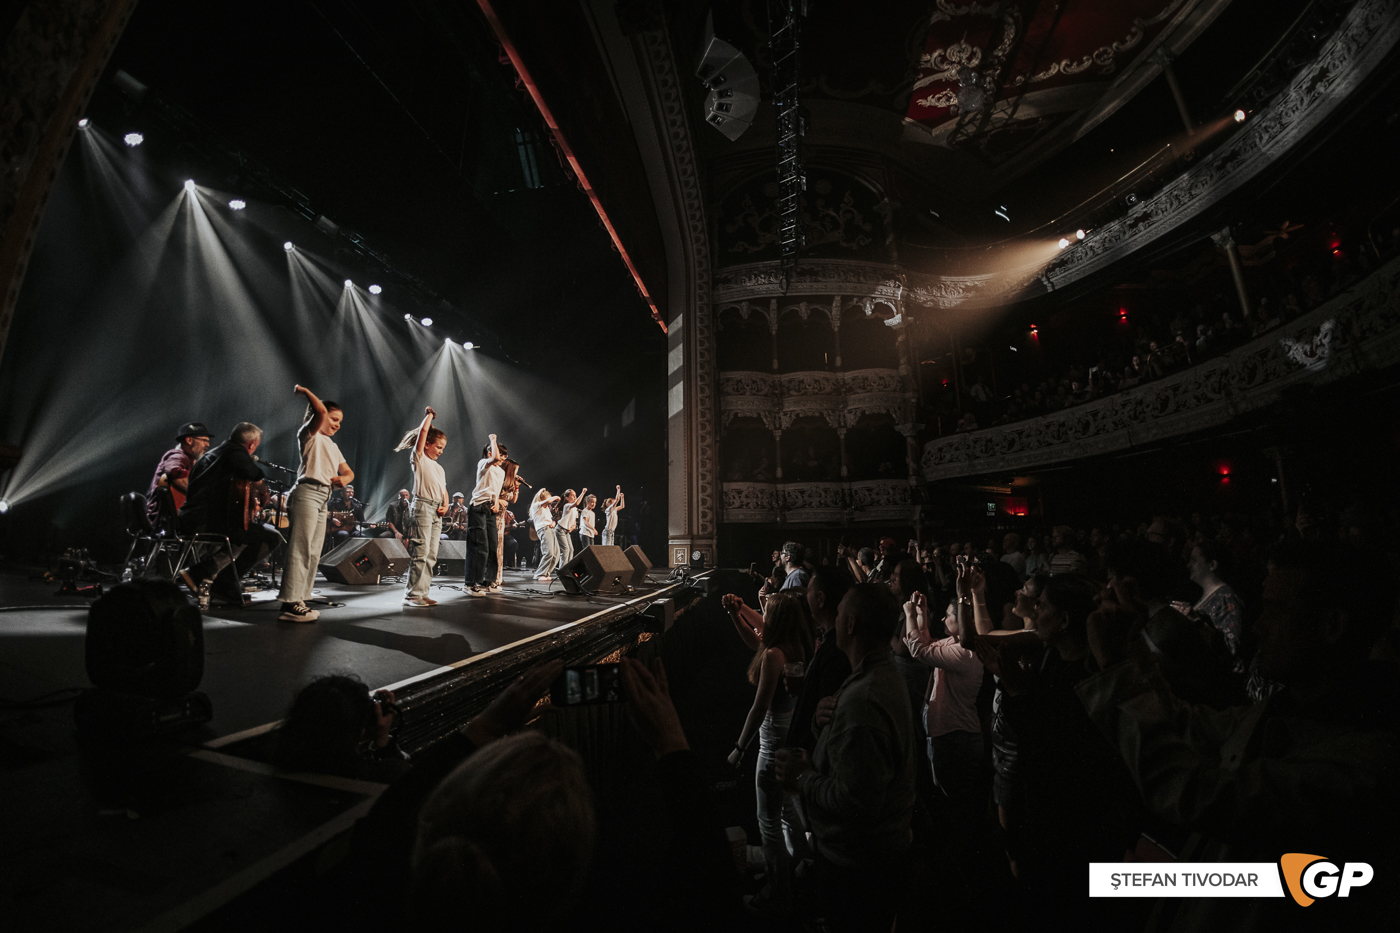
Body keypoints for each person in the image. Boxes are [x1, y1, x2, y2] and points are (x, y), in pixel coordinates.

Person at [1079, 542, 1399, 931]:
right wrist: (1129, 656)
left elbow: (1197, 795)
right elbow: (1189, 723)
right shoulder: (1286, 711)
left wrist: (1116, 669)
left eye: (1276, 609)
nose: (1258, 625)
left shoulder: (1363, 761)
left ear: (1331, 626)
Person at [774, 583, 916, 933]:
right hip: (871, 858)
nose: (833, 620)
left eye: (838, 615)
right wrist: (823, 726)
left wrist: (804, 777)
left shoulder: (864, 700)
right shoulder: (877, 674)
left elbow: (859, 801)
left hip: (858, 866)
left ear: (850, 624)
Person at [723, 591, 813, 914]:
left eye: (767, 611)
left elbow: (759, 708)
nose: (763, 615)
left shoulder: (775, 654)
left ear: (777, 620)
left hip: (773, 739)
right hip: (789, 733)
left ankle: (778, 889)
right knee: (787, 811)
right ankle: (799, 867)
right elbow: (759, 636)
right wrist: (740, 610)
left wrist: (739, 748)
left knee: (768, 821)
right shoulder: (796, 644)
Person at [176, 422, 281, 607]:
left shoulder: (213, 454)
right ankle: (210, 577)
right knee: (271, 537)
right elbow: (253, 472)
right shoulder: (235, 452)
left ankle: (216, 579)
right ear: (251, 445)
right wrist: (263, 490)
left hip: (193, 517)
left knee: (246, 534)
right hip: (207, 521)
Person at [903, 587, 984, 820]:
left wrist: (909, 615)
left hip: (955, 736)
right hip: (952, 734)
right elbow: (927, 643)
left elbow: (919, 649)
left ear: (963, 621)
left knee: (953, 806)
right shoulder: (954, 643)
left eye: (948, 615)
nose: (943, 619)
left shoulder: (966, 652)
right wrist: (921, 614)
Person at [277, 385, 352, 623]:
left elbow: (349, 472)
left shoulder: (333, 445)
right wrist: (305, 391)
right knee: (301, 548)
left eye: (340, 421)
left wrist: (345, 479)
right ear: (317, 416)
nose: (337, 424)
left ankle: (301, 597)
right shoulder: (309, 434)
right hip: (306, 492)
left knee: (313, 550)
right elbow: (318, 412)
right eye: (334, 419)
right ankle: (289, 602)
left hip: (323, 497)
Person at [394, 407, 448, 607]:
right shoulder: (419, 459)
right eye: (438, 447)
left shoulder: (439, 467)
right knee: (421, 551)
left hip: (436, 510)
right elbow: (423, 433)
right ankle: (411, 595)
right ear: (426, 445)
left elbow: (444, 489)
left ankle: (422, 592)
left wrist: (446, 504)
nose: (441, 451)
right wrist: (429, 417)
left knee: (432, 554)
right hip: (423, 507)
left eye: (443, 448)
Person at [1186, 537, 1244, 661]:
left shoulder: (1226, 596)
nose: (1188, 565)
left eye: (1194, 560)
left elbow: (1232, 647)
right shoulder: (1210, 595)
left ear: (1212, 565)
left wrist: (1197, 622)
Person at [146, 422, 211, 532]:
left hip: (170, 518)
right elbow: (175, 473)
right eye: (204, 440)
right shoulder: (177, 455)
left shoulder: (190, 460)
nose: (207, 445)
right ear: (189, 440)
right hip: (165, 520)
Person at [467, 435, 505, 595]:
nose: (503, 457)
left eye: (504, 455)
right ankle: (470, 584)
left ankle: (489, 581)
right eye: (501, 454)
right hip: (478, 506)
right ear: (490, 453)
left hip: (490, 508)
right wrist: (493, 440)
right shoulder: (483, 463)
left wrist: (496, 502)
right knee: (478, 546)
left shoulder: (501, 472)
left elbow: (495, 489)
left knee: (492, 544)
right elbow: (494, 456)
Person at [529, 487, 561, 582]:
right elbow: (547, 501)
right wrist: (555, 497)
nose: (549, 503)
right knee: (548, 552)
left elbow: (549, 520)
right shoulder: (536, 505)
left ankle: (546, 573)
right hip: (544, 529)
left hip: (550, 529)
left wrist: (553, 523)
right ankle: (539, 574)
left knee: (556, 554)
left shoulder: (546, 509)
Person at [555, 487, 586, 572]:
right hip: (560, 529)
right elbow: (576, 503)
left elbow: (574, 521)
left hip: (566, 531)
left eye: (575, 495)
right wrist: (582, 493)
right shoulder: (567, 505)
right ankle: (562, 571)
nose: (574, 497)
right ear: (567, 498)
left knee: (571, 549)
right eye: (572, 495)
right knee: (565, 550)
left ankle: (568, 569)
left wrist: (572, 527)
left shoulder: (575, 509)